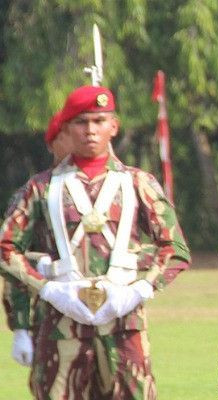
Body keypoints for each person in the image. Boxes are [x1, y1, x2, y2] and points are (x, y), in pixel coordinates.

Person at [0, 85, 192, 399]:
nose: (91, 130)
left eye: (99, 121)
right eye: (81, 122)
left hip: (124, 327)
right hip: (61, 326)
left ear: (113, 126)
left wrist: (138, 291)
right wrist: (48, 289)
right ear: (66, 128)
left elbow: (175, 249)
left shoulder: (137, 183)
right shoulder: (41, 189)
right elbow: (6, 247)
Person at [3, 112, 73, 368]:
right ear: (53, 143)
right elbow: (12, 259)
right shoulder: (35, 193)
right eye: (69, 134)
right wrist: (20, 326)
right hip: (50, 316)